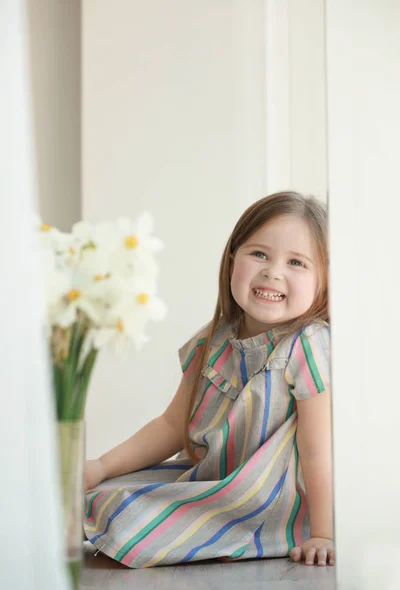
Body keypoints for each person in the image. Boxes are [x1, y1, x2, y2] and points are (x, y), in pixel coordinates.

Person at [83, 190, 334, 569]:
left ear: (325, 281)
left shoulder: (308, 344)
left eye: (297, 262)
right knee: (98, 493)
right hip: (209, 481)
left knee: (128, 518)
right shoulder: (214, 338)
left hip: (263, 504)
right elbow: (171, 424)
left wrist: (324, 533)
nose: (273, 271)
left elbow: (318, 451)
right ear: (232, 258)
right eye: (259, 254)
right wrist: (100, 466)